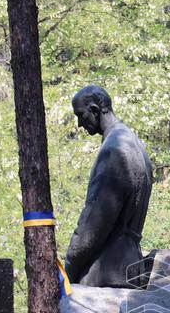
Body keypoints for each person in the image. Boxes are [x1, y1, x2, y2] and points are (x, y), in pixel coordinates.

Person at [65, 85, 153, 287]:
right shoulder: (134, 143)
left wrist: (68, 269)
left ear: (95, 110)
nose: (79, 123)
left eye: (81, 114)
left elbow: (93, 224)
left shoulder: (114, 150)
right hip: (131, 266)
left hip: (106, 272)